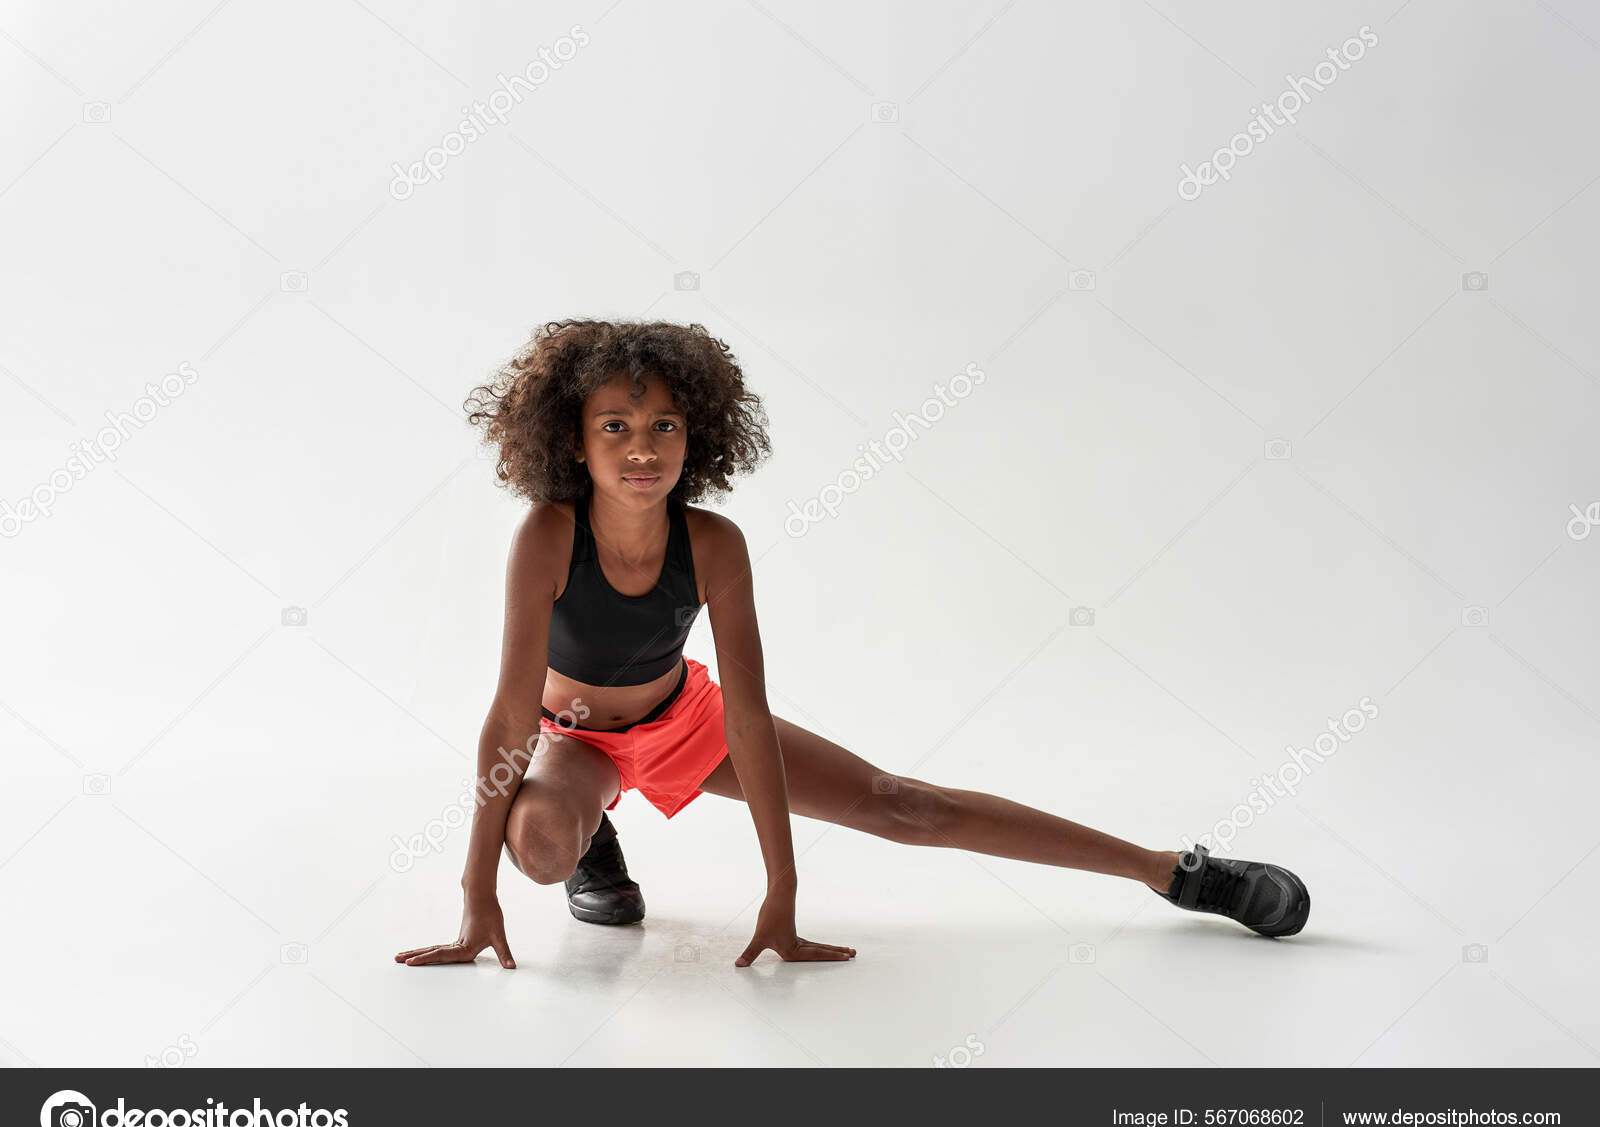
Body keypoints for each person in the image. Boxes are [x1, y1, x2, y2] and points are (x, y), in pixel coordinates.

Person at [394, 320, 1310, 971]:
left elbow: (747, 721)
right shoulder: (547, 536)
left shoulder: (713, 544)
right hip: (575, 736)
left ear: (696, 436)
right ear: (576, 442)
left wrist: (782, 891)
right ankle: (593, 839)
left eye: (664, 425)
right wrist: (479, 896)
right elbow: (512, 714)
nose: (643, 448)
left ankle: (1172, 873)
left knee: (907, 808)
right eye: (616, 428)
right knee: (544, 841)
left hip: (687, 721)